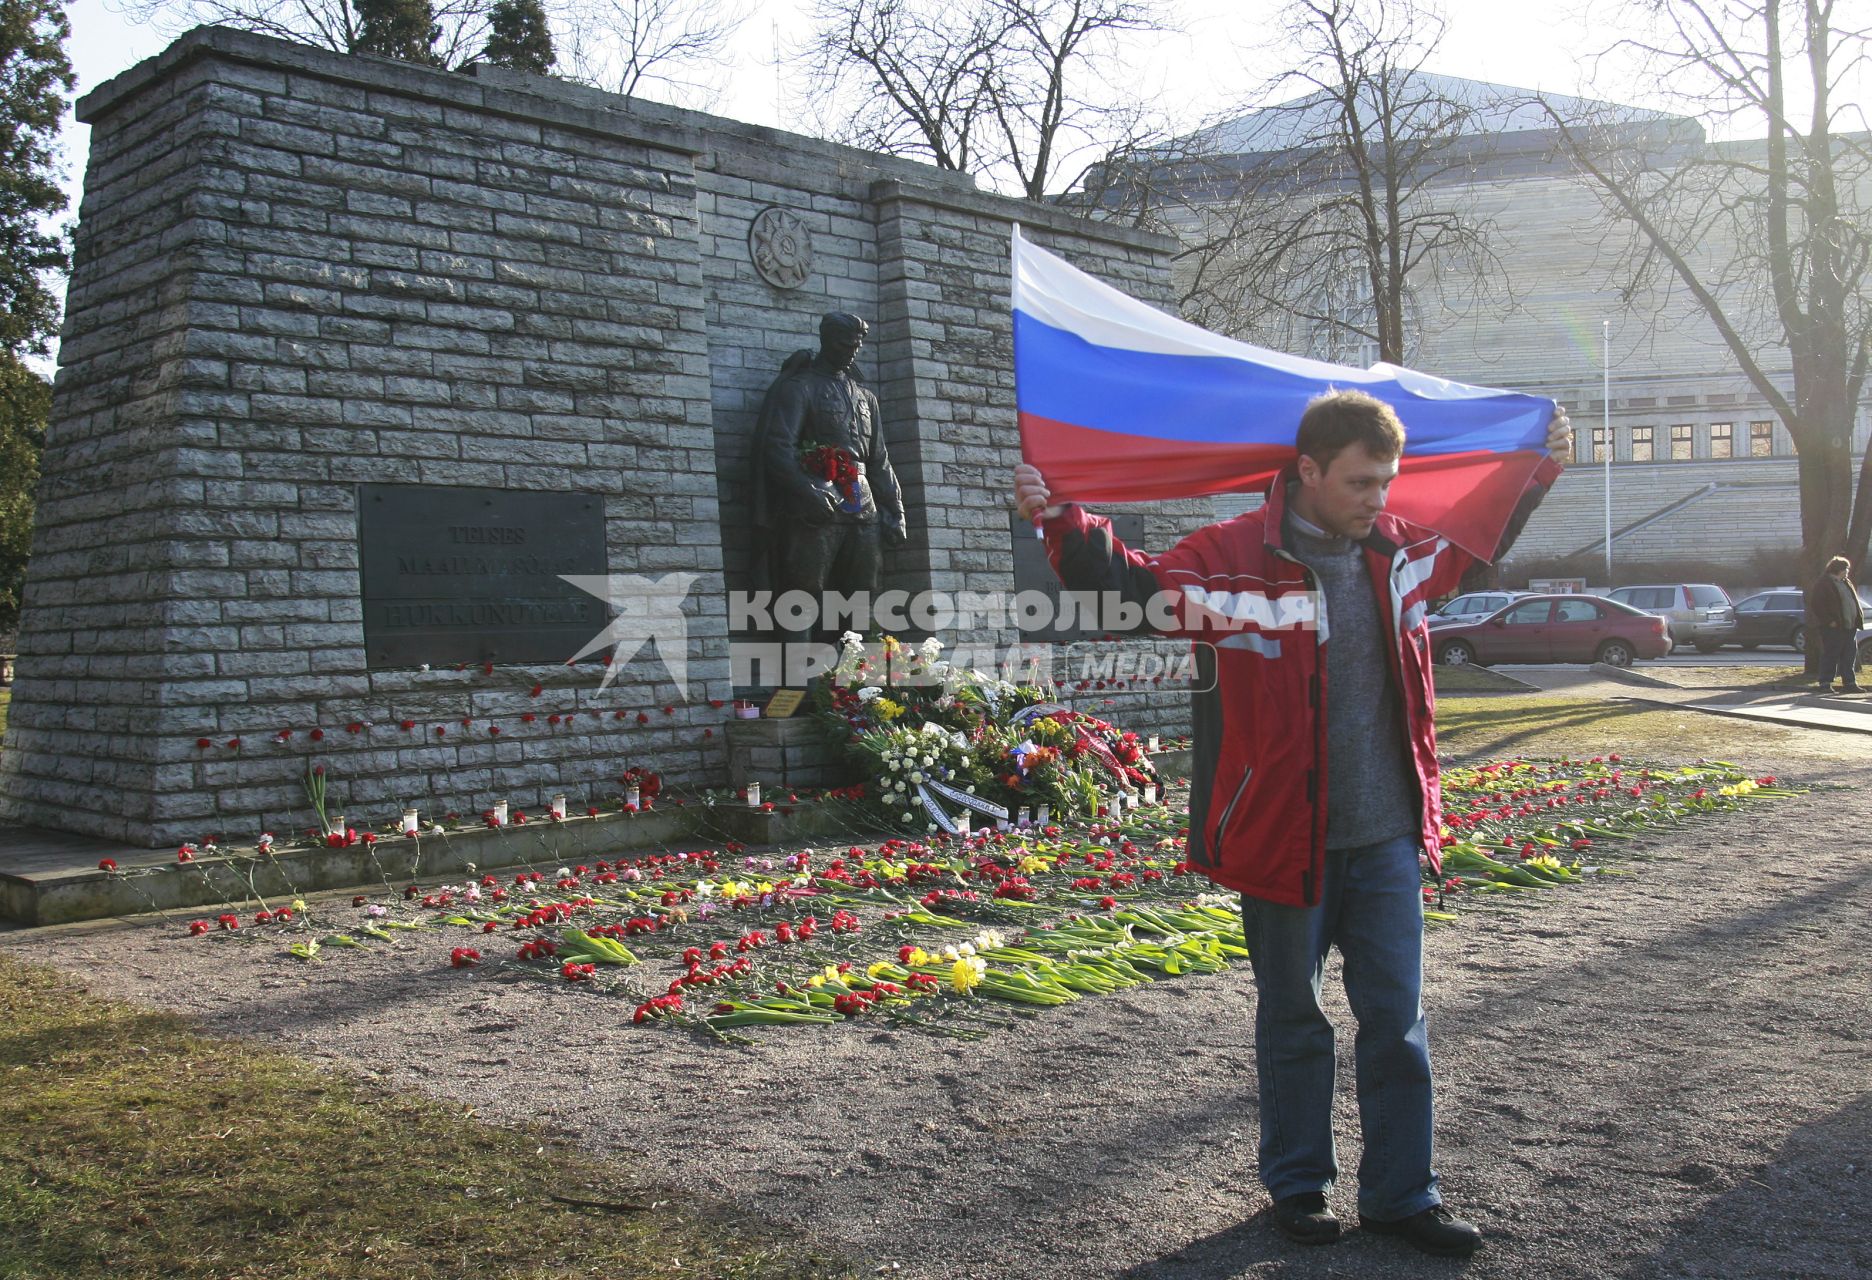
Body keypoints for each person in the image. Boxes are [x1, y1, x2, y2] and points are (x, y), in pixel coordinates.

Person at [1013, 390, 1570, 1258]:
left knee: (1398, 1022)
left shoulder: (1403, 556)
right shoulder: (1232, 558)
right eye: (1359, 482)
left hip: (1386, 838)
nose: (1376, 499)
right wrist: (1058, 513)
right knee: (1293, 1020)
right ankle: (1299, 1188)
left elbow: (1479, 542)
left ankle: (1401, 1195)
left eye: (1386, 482)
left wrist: (1537, 469)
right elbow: (1129, 591)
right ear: (1307, 471)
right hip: (1283, 839)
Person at [750, 312, 908, 614]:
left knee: (864, 587)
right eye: (844, 345)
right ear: (827, 341)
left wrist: (896, 510)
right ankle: (797, 661)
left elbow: (879, 460)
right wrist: (806, 489)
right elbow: (778, 447)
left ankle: (859, 662)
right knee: (803, 589)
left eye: (856, 347)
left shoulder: (866, 398)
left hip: (862, 503)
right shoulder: (799, 388)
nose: (851, 352)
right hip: (817, 500)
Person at [1807, 555, 1863, 693]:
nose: (1847, 571)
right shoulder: (1824, 583)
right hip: (1834, 627)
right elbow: (1817, 604)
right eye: (1845, 569)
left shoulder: (1845, 582)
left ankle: (1849, 683)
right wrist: (1829, 621)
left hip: (1849, 626)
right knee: (1831, 654)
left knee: (1849, 655)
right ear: (1837, 569)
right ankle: (1825, 683)